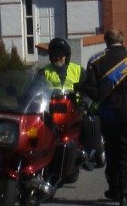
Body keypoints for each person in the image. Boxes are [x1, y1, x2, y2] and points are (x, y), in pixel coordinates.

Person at [83, 30, 127, 206]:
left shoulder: (95, 60)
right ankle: (125, 194)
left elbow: (90, 89)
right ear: (123, 39)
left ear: (106, 41)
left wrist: (101, 98)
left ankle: (114, 189)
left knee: (112, 151)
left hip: (108, 113)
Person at [37, 38, 102, 170]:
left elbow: (89, 91)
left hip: (75, 109)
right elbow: (36, 90)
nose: (58, 58)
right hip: (51, 110)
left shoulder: (78, 70)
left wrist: (83, 105)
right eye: (55, 55)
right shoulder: (44, 72)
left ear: (67, 56)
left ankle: (87, 154)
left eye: (60, 55)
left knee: (88, 123)